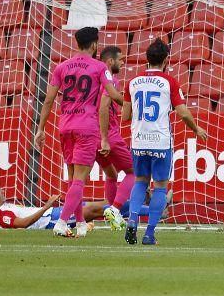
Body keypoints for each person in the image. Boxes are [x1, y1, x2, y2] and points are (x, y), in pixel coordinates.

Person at [34, 27, 124, 238]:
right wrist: (129, 104)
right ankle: (62, 222)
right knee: (79, 180)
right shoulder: (100, 67)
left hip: (65, 125)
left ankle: (81, 223)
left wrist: (40, 129)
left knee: (73, 178)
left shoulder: (62, 67)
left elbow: (48, 99)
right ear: (94, 45)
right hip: (87, 127)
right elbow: (111, 94)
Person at [122, 38, 207, 245]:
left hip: (139, 140)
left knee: (141, 181)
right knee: (160, 186)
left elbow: (125, 115)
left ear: (147, 59)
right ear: (166, 60)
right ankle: (149, 234)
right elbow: (183, 112)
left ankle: (132, 220)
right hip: (160, 141)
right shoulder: (169, 82)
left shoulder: (132, 82)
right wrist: (196, 128)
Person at [0, 176, 104, 232]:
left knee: (94, 206)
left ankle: (120, 203)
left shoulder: (3, 208)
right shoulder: (0, 216)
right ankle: (121, 208)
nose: (2, 191)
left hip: (52, 213)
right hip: (50, 220)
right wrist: (46, 206)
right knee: (94, 209)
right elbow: (24, 223)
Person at [97, 45, 134, 230]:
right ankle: (115, 209)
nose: (122, 62)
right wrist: (105, 137)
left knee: (111, 173)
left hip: (90, 134)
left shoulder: (93, 74)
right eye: (120, 59)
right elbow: (104, 105)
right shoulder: (109, 78)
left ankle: (113, 217)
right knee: (134, 172)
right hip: (107, 134)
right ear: (110, 61)